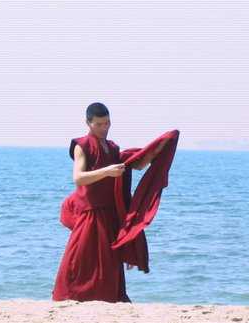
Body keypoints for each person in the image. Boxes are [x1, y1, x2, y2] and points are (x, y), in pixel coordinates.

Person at [51, 102, 172, 303]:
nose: (104, 128)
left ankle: (109, 298)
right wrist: (106, 172)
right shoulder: (82, 146)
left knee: (109, 261)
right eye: (99, 124)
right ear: (88, 123)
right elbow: (78, 177)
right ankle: (68, 297)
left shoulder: (113, 148)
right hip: (90, 213)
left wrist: (158, 149)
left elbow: (136, 165)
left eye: (107, 123)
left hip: (110, 213)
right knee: (79, 258)